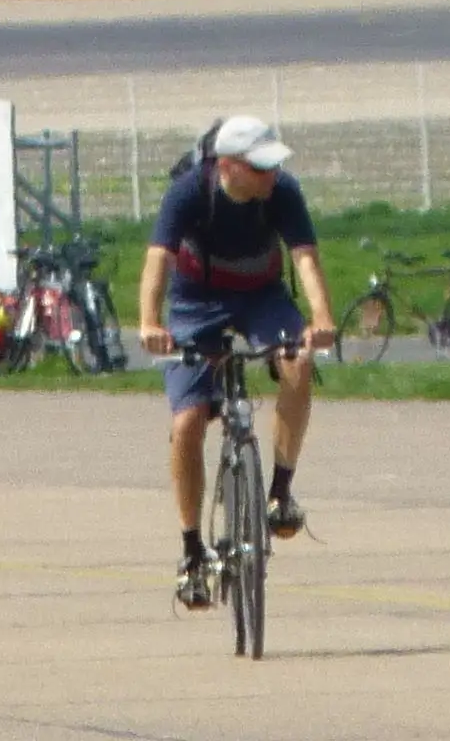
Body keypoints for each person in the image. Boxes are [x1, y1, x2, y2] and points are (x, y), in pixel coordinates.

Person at [137, 116, 337, 611]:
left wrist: (321, 318)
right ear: (228, 167)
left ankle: (279, 492)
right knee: (187, 422)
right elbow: (158, 261)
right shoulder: (189, 192)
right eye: (260, 167)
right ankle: (191, 553)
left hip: (262, 297)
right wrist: (149, 323)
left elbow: (306, 258)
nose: (272, 176)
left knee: (298, 363)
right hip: (197, 303)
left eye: (274, 166)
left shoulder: (283, 193)